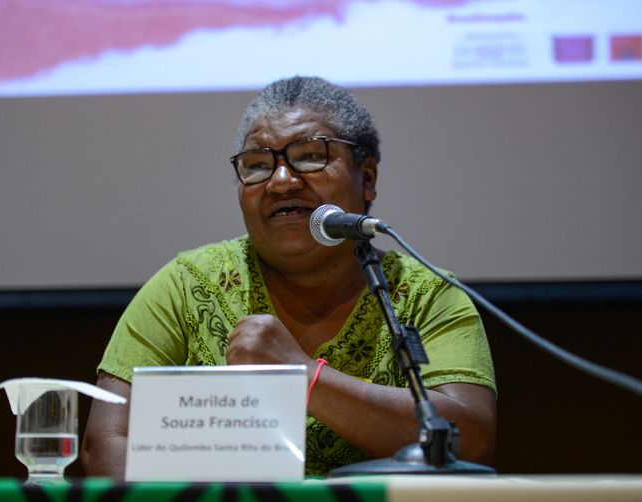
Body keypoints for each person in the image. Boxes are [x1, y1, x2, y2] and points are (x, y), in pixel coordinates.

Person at [81, 76, 497, 478]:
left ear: (366, 178)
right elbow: (107, 444)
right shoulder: (186, 285)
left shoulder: (428, 294)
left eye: (310, 156)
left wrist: (302, 375)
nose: (281, 181)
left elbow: (469, 438)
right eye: (257, 165)